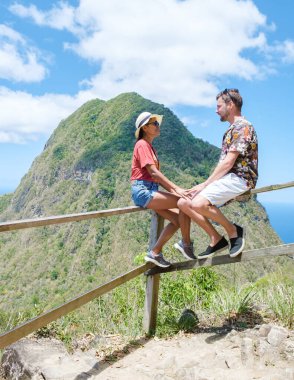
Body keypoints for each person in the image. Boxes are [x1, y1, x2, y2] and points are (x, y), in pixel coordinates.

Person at [178, 88, 258, 259]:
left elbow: (229, 162)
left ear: (230, 105)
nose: (216, 110)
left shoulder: (243, 127)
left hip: (240, 178)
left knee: (198, 203)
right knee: (183, 202)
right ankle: (216, 238)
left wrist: (205, 184)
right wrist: (204, 185)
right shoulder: (232, 129)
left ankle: (233, 231)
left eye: (219, 106)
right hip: (228, 178)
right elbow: (224, 164)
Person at [131, 111, 195, 268]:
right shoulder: (142, 145)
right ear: (145, 128)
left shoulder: (149, 147)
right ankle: (186, 244)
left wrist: (174, 189)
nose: (158, 126)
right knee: (184, 202)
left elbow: (155, 175)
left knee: (176, 220)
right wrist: (175, 189)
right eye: (154, 123)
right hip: (144, 191)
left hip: (150, 189)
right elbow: (153, 173)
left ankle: (155, 252)